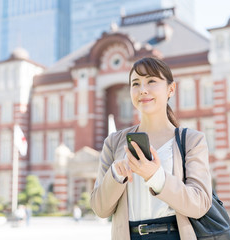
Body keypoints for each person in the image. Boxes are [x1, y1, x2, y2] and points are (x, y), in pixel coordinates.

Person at [90, 57, 212, 240]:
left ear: (171, 89)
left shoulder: (192, 140)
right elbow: (100, 209)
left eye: (151, 81)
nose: (143, 90)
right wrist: (115, 176)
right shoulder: (114, 143)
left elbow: (199, 204)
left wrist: (155, 176)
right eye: (136, 83)